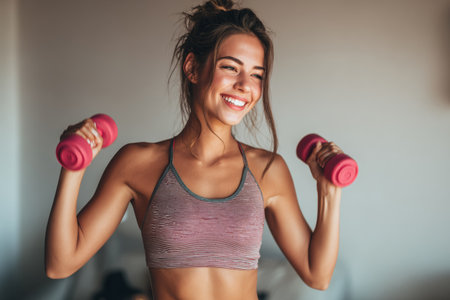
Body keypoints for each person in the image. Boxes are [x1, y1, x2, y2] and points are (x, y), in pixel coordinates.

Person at [45, 0, 344, 299]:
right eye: (230, 67)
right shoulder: (137, 163)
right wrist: (73, 168)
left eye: (256, 74)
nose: (244, 85)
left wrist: (329, 188)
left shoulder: (268, 170)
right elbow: (60, 265)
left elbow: (317, 275)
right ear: (192, 68)